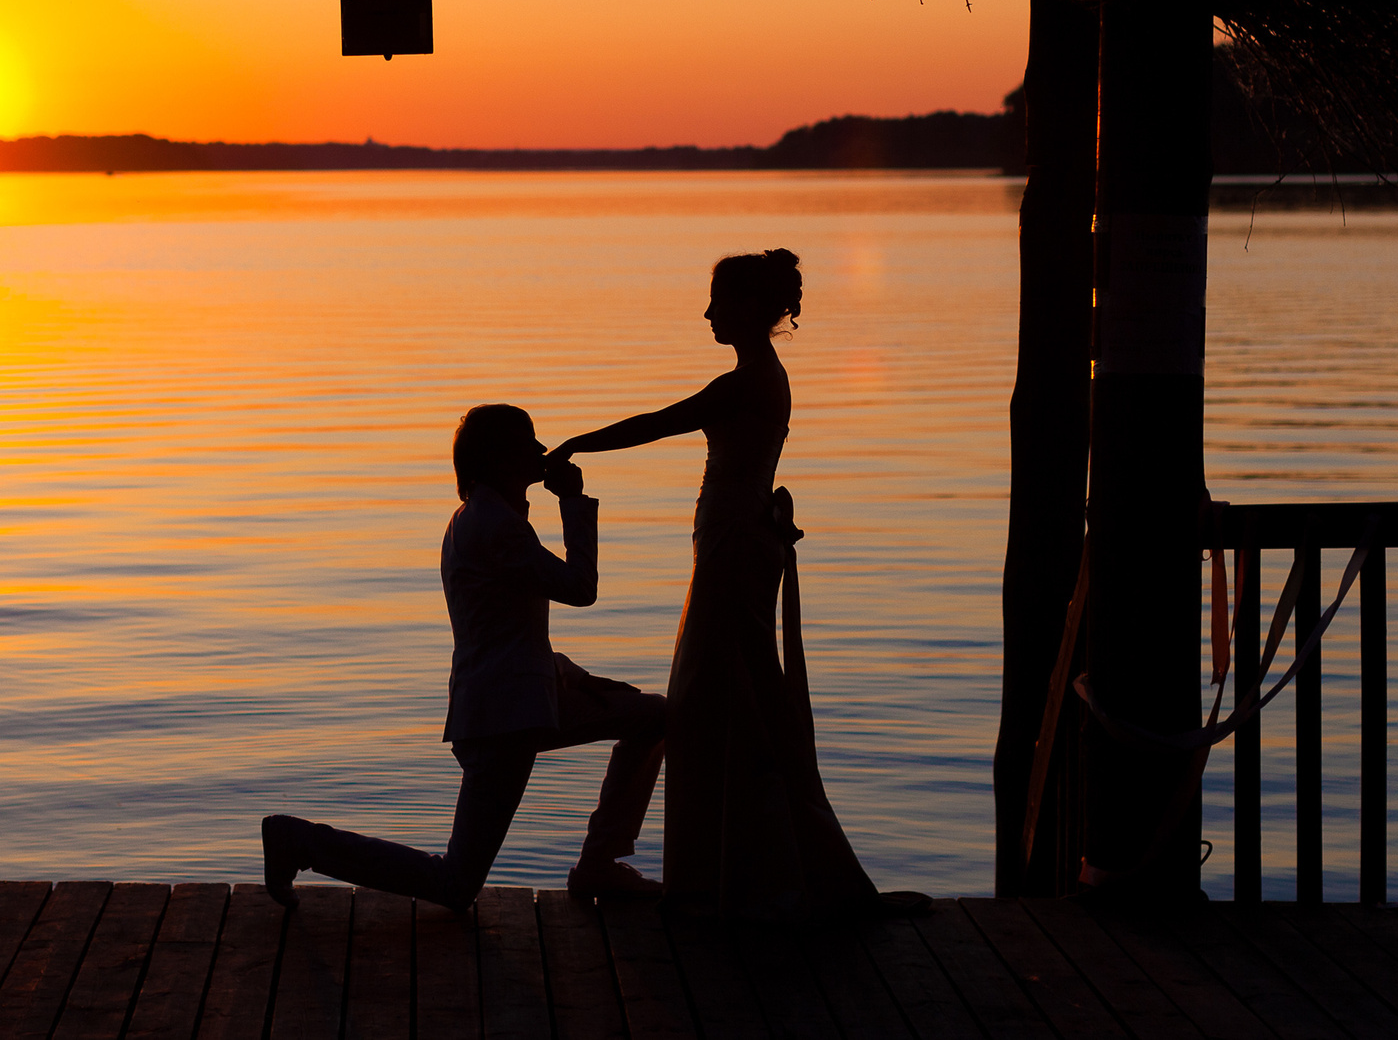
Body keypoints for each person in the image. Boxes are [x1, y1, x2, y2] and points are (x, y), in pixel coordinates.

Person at [555, 250, 923, 923]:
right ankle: (732, 867)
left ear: (750, 308)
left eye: (717, 301)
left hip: (732, 554)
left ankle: (733, 873)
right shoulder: (760, 378)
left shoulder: (749, 382)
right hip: (732, 547)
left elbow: (657, 422)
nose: (707, 313)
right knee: (723, 703)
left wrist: (577, 443)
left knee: (714, 701)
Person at [261, 403, 669, 910]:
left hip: (526, 700)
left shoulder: (483, 518)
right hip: (504, 717)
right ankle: (299, 841)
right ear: (499, 459)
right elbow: (580, 588)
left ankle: (599, 865)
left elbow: (510, 633)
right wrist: (573, 500)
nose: (542, 450)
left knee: (652, 716)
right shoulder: (495, 527)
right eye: (528, 442)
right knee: (454, 884)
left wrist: (577, 680)